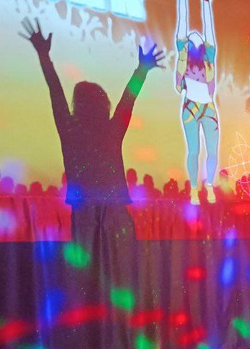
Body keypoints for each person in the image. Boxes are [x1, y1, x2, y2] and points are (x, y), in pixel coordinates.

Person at [21, 17, 164, 240]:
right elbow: (129, 98)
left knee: (88, 259)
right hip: (114, 209)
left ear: (77, 104)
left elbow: (55, 90)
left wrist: (43, 55)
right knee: (117, 258)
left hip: (85, 210)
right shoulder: (112, 129)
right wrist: (142, 70)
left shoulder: (70, 128)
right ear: (104, 103)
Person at [171, 0, 220, 206]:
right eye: (192, 36)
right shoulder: (184, 55)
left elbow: (209, 31)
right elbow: (182, 26)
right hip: (190, 106)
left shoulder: (209, 55)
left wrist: (206, 1)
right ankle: (193, 189)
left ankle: (209, 186)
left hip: (208, 107)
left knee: (212, 151)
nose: (196, 34)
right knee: (193, 150)